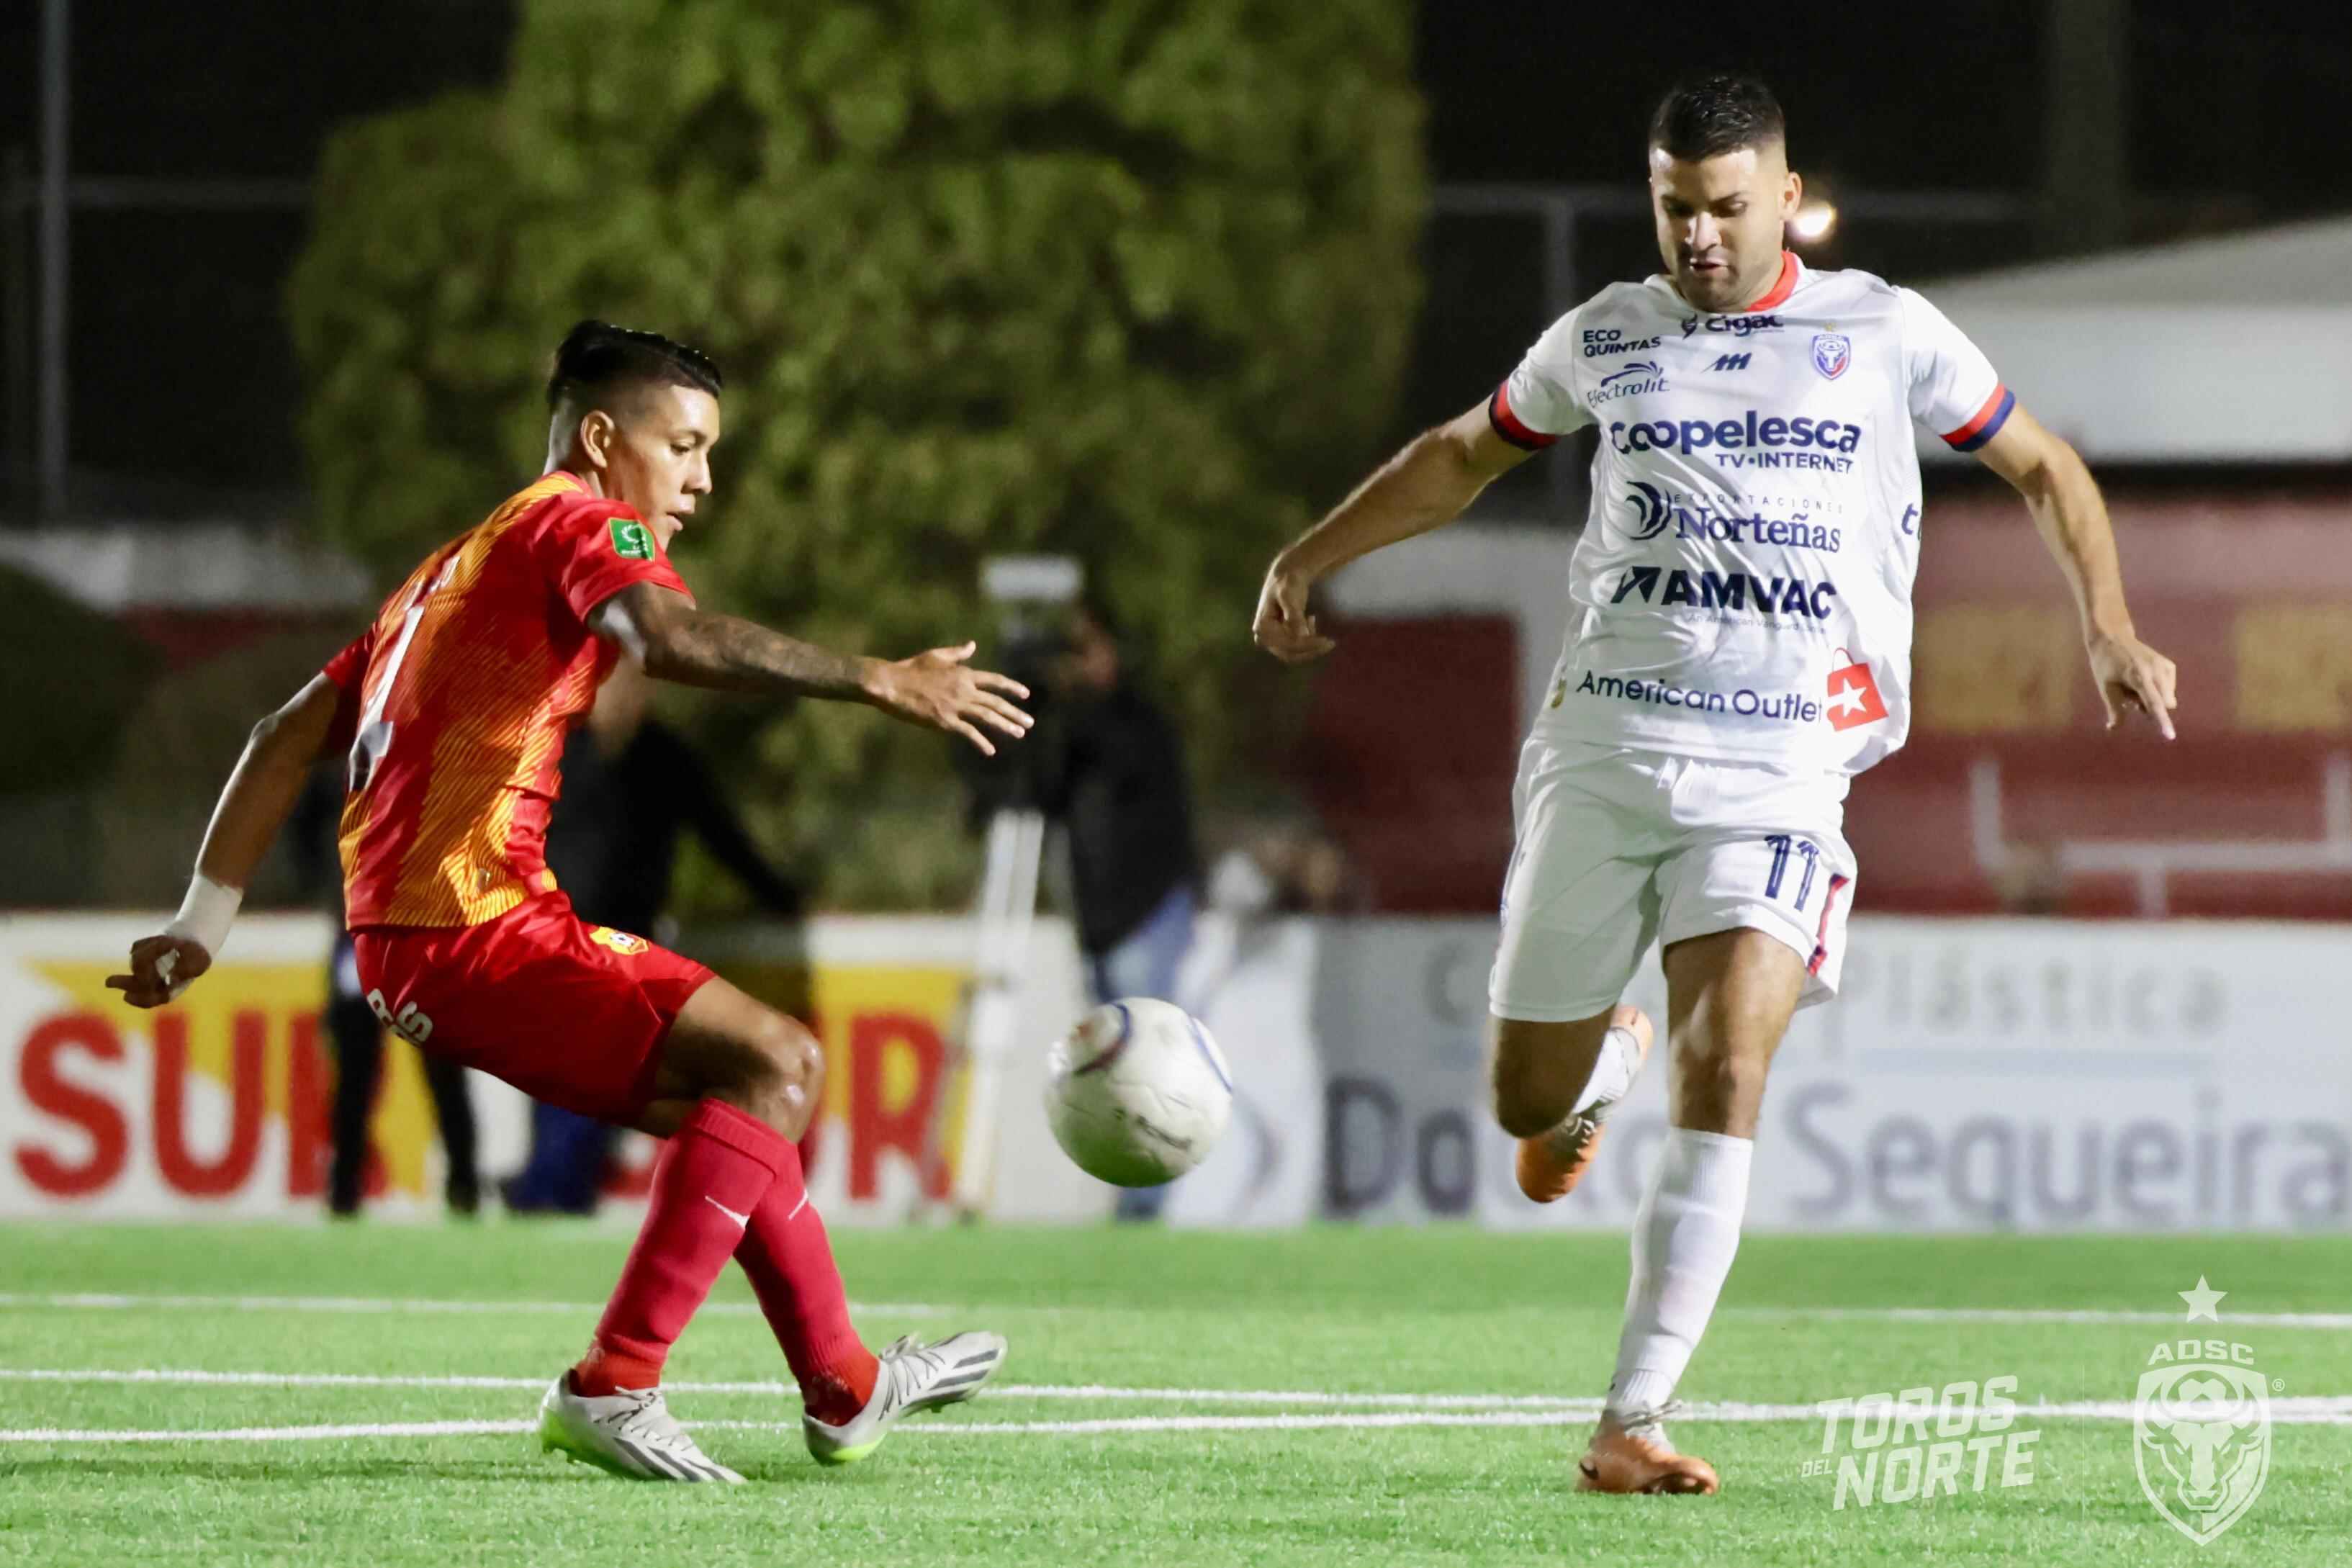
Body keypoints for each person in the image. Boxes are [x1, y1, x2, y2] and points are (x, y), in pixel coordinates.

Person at [1252, 77, 2177, 1495]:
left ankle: (1631, 1413)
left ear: (1783, 193)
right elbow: (1457, 457)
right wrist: (1307, 555)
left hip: (1783, 771)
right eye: (1674, 206)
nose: (1697, 234)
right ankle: (1596, 1064)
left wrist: (2106, 620)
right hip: (1602, 758)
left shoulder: (1883, 330)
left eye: (1725, 207)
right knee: (1519, 1102)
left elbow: (2044, 468)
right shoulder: (1607, 337)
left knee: (1731, 1061)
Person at [107, 321, 1035, 1484]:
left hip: (428, 934)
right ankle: (615, 1381)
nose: (701, 477)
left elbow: (280, 734)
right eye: (684, 445)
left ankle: (844, 1383)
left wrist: (199, 927)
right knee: (781, 1060)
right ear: (602, 438)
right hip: (470, 920)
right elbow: (666, 631)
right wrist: (875, 676)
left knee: (748, 1091)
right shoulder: (578, 519)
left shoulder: (449, 566)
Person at [505, 657, 806, 1216]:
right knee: (561, 1074)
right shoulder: (553, 751)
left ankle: (550, 1186)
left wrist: (778, 896)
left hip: (626, 947)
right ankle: (551, 1183)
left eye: (634, 685)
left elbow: (720, 833)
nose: (624, 697)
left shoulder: (663, 757)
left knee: (596, 1072)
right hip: (553, 941)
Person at [1035, 598, 1200, 1220]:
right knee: (1110, 1072)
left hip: (1145, 916)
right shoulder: (1071, 732)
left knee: (1147, 1065)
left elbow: (1118, 756)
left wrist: (1062, 699)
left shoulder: (1136, 721)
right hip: (1101, 924)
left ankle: (1145, 1202)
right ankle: (1135, 1195)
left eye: (1083, 647)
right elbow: (1037, 791)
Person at [289, 766, 480, 1217]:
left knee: (442, 1070)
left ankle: (463, 1184)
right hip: (365, 935)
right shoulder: (345, 761)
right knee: (357, 1073)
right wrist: (331, 890)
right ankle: (345, 1190)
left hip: (425, 935)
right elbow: (303, 832)